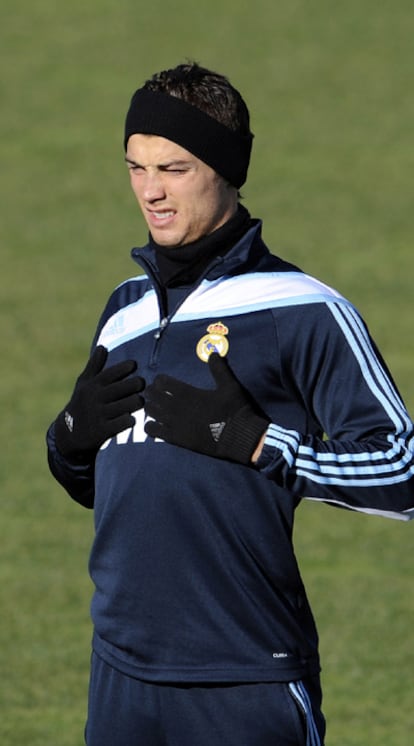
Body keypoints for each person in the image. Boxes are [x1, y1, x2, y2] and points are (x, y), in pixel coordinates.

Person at [46, 62, 414, 746]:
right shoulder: (123, 311)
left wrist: (261, 444)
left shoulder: (303, 309)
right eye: (136, 167)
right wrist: (68, 440)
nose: (149, 192)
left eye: (174, 169)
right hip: (120, 675)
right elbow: (103, 483)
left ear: (225, 169)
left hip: (243, 680)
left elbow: (402, 470)